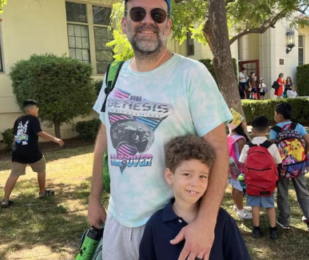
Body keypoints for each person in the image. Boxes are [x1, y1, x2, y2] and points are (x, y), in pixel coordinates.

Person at [88, 0, 233, 259]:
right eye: (137, 13)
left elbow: (219, 149)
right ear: (124, 24)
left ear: (168, 24)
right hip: (118, 220)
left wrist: (206, 222)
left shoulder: (192, 74)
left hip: (173, 224)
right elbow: (103, 142)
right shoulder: (114, 75)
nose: (148, 21)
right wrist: (94, 199)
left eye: (157, 14)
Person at [139, 135, 251, 260]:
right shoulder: (155, 224)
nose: (195, 183)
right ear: (170, 176)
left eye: (202, 176)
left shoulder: (222, 220)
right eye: (187, 174)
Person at [1, 99, 64, 208]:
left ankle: (5, 200)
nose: (37, 109)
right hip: (32, 152)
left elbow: (18, 135)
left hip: (18, 152)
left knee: (14, 174)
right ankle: (42, 192)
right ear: (30, 110)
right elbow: (39, 132)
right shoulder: (33, 119)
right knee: (41, 169)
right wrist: (55, 139)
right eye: (36, 108)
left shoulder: (18, 120)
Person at [269, 103, 309, 230]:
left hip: (282, 166)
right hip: (298, 165)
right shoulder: (298, 126)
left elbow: (273, 148)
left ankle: (284, 220)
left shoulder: (274, 130)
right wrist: (303, 154)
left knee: (282, 192)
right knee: (302, 191)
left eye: (275, 113)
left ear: (279, 116)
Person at [239, 116, 282, 239]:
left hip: (252, 182)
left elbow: (242, 162)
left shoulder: (248, 146)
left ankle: (256, 229)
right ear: (268, 130)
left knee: (255, 206)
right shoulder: (271, 146)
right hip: (268, 181)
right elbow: (278, 162)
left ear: (253, 131)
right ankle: (273, 229)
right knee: (269, 206)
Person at [227, 109, 252, 220]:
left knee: (234, 186)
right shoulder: (241, 139)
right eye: (243, 122)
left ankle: (237, 205)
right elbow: (243, 155)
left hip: (231, 166)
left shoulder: (229, 136)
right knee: (239, 188)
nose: (244, 124)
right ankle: (241, 211)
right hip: (239, 167)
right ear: (238, 125)